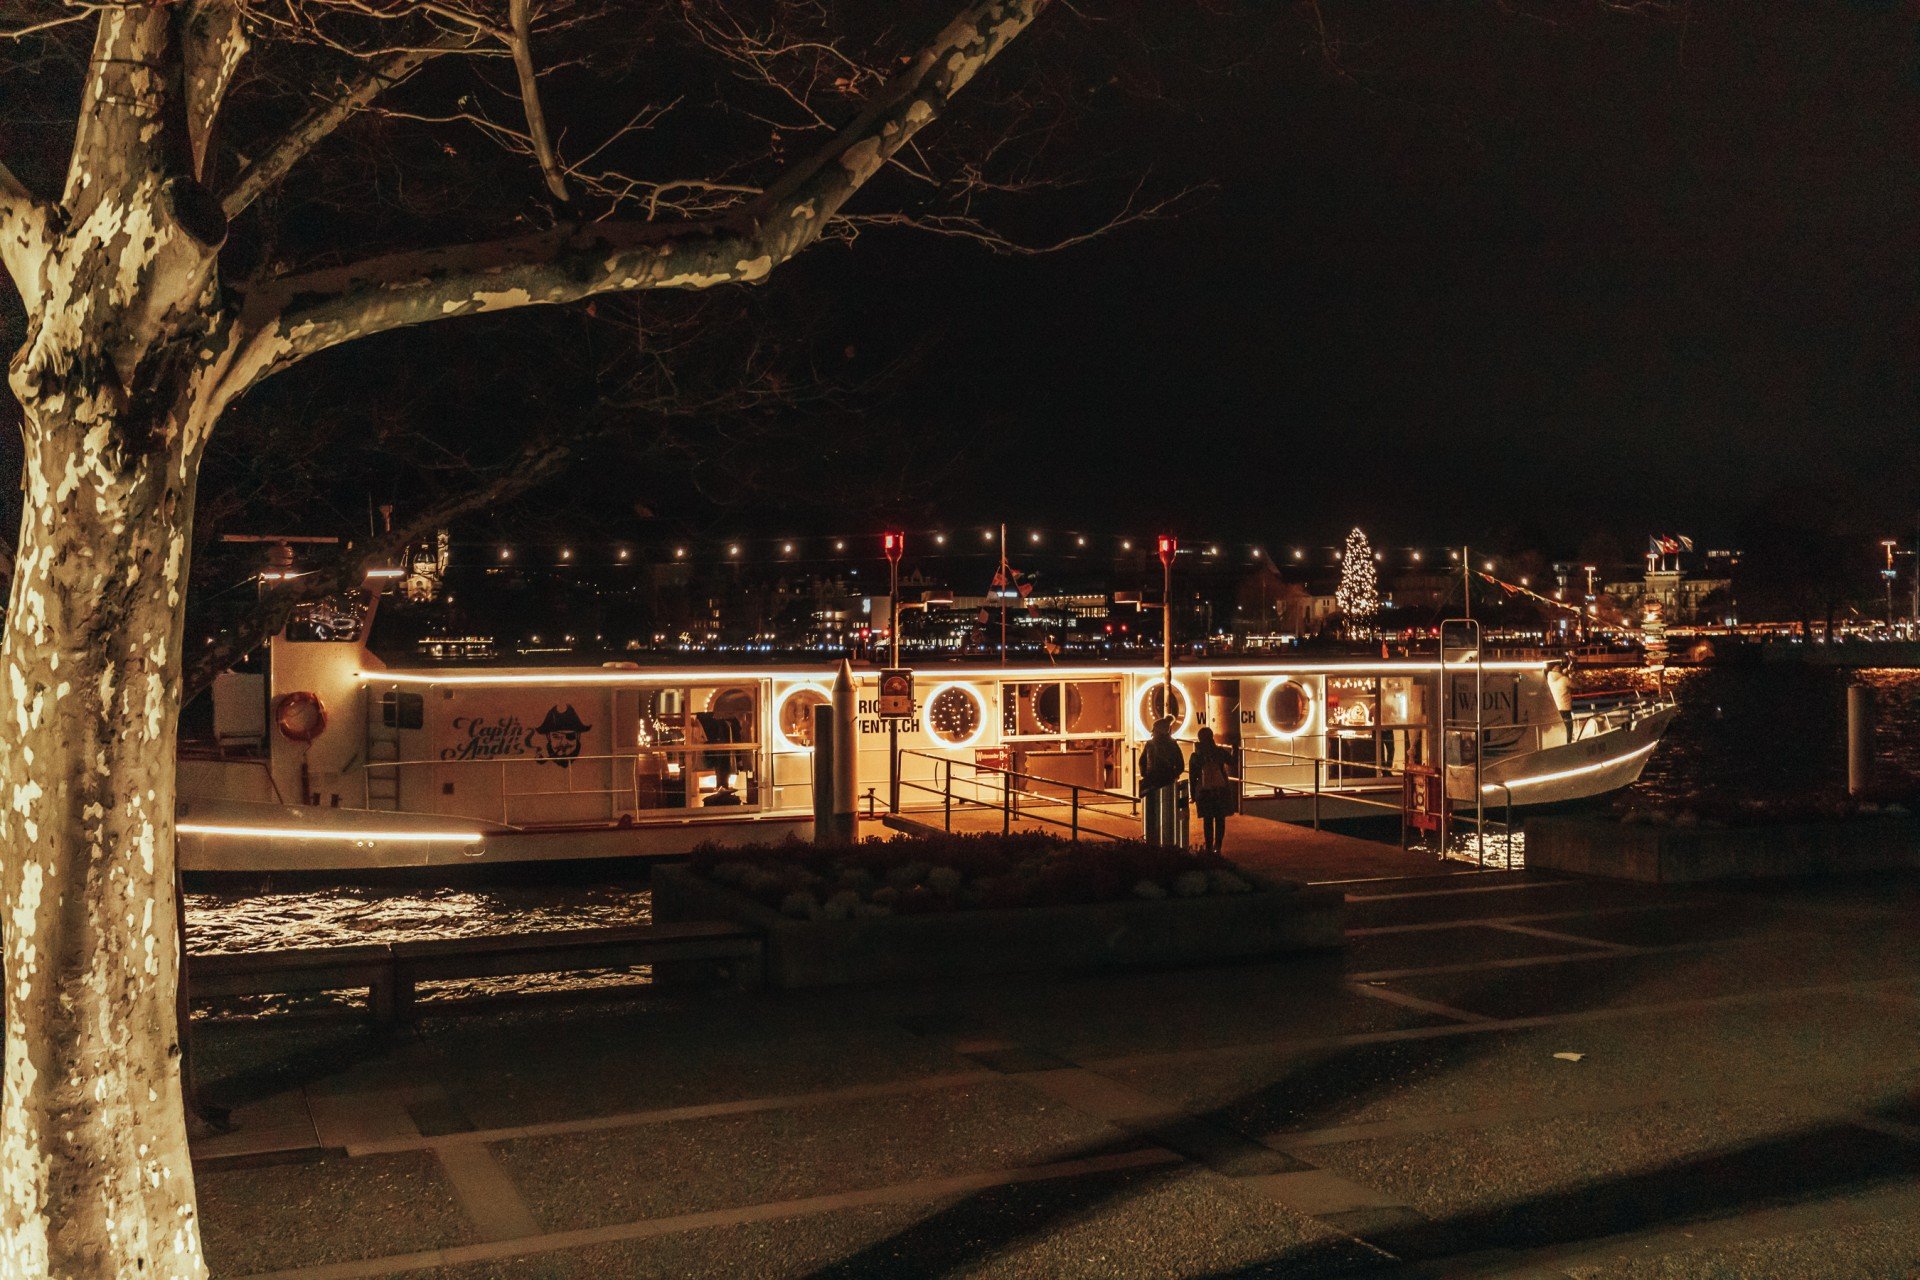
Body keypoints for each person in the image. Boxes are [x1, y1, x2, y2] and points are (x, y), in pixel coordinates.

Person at [1137, 716, 1186, 847]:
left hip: (1153, 782)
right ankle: (1167, 842)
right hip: (1167, 783)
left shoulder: (1150, 744)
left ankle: (1152, 842)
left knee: (1152, 814)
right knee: (1167, 815)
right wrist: (1173, 775)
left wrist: (1145, 774)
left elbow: (1141, 762)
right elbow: (1180, 765)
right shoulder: (1172, 745)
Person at [1189, 725, 1236, 854]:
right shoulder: (1219, 752)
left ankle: (1209, 847)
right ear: (1212, 737)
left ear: (1199, 739)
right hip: (1220, 790)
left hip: (1204, 791)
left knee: (1207, 820)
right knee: (1220, 819)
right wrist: (1235, 749)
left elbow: (1193, 777)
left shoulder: (1195, 756)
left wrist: (1192, 794)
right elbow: (1232, 762)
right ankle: (1218, 847)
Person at [1547, 658, 1576, 743]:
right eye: (1558, 666)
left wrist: (1565, 672)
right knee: (1569, 726)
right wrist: (1571, 676)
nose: (1560, 667)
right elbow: (1576, 685)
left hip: (1556, 707)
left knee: (1560, 726)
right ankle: (1568, 743)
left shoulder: (1550, 678)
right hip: (1565, 707)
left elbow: (1559, 677)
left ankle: (1561, 742)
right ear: (1556, 668)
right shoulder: (1564, 679)